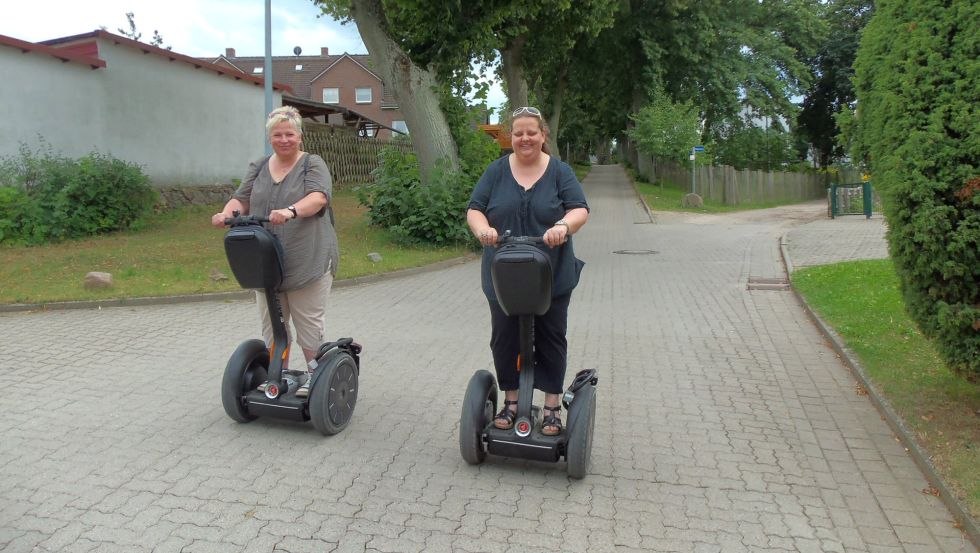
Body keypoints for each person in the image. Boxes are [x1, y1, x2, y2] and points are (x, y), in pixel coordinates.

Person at [466, 106, 590, 436]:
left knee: (551, 336)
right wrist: (483, 231)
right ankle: (510, 401)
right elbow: (475, 209)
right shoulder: (495, 172)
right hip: (504, 277)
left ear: (543, 135)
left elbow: (580, 209)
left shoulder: (560, 172)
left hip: (552, 275)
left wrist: (563, 226)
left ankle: (551, 408)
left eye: (531, 132)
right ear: (511, 136)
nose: (525, 138)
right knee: (504, 338)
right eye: (518, 133)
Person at [211, 105, 338, 398]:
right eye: (278, 135)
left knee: (308, 323)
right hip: (265, 258)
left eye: (289, 134)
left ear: (299, 137)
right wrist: (224, 215)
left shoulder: (312, 164)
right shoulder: (258, 166)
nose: (284, 140)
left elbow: (319, 198)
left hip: (307, 257)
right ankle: (276, 374)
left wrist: (291, 211)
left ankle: (314, 375)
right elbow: (241, 199)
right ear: (270, 138)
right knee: (273, 324)